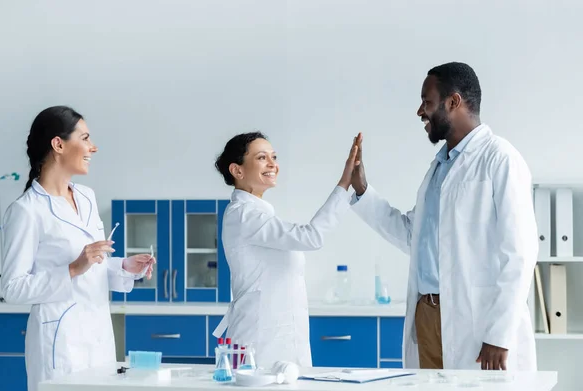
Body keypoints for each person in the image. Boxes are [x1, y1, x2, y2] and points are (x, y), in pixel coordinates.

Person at [350, 62, 538, 371]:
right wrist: (362, 190)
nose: (420, 112)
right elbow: (414, 235)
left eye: (427, 101)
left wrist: (499, 334)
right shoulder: (439, 168)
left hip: (476, 320)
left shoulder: (500, 159)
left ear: (453, 102)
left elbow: (519, 253)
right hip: (428, 315)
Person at [1, 106, 155, 391]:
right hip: (60, 345)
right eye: (84, 138)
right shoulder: (26, 211)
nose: (92, 147)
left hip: (97, 335)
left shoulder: (86, 197)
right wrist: (72, 268)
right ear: (58, 144)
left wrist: (123, 266)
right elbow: (12, 288)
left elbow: (93, 264)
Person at [212, 131, 359, 369]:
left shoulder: (258, 214)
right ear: (237, 170)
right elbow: (310, 237)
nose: (273, 164)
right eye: (262, 157)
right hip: (259, 344)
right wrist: (344, 185)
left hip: (279, 343)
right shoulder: (244, 215)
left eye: (274, 156)